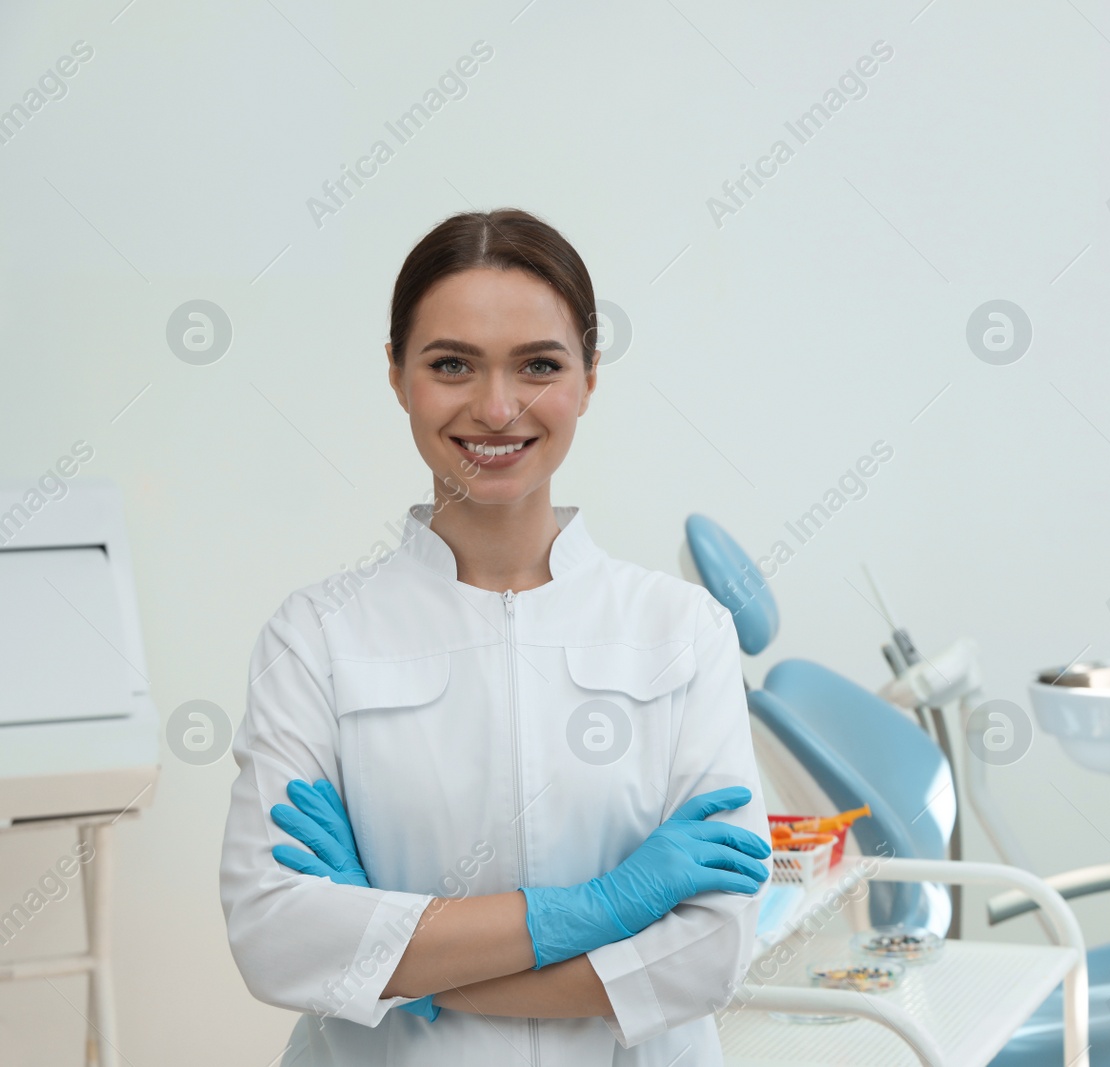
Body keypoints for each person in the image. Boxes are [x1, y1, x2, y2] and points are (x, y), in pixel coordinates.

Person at [218, 208, 773, 1065]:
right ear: (398, 375)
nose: (497, 406)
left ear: (590, 376)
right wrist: (596, 907)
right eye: (451, 365)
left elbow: (709, 954)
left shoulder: (682, 630)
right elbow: (275, 936)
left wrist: (392, 952)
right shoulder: (317, 639)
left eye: (540, 365)